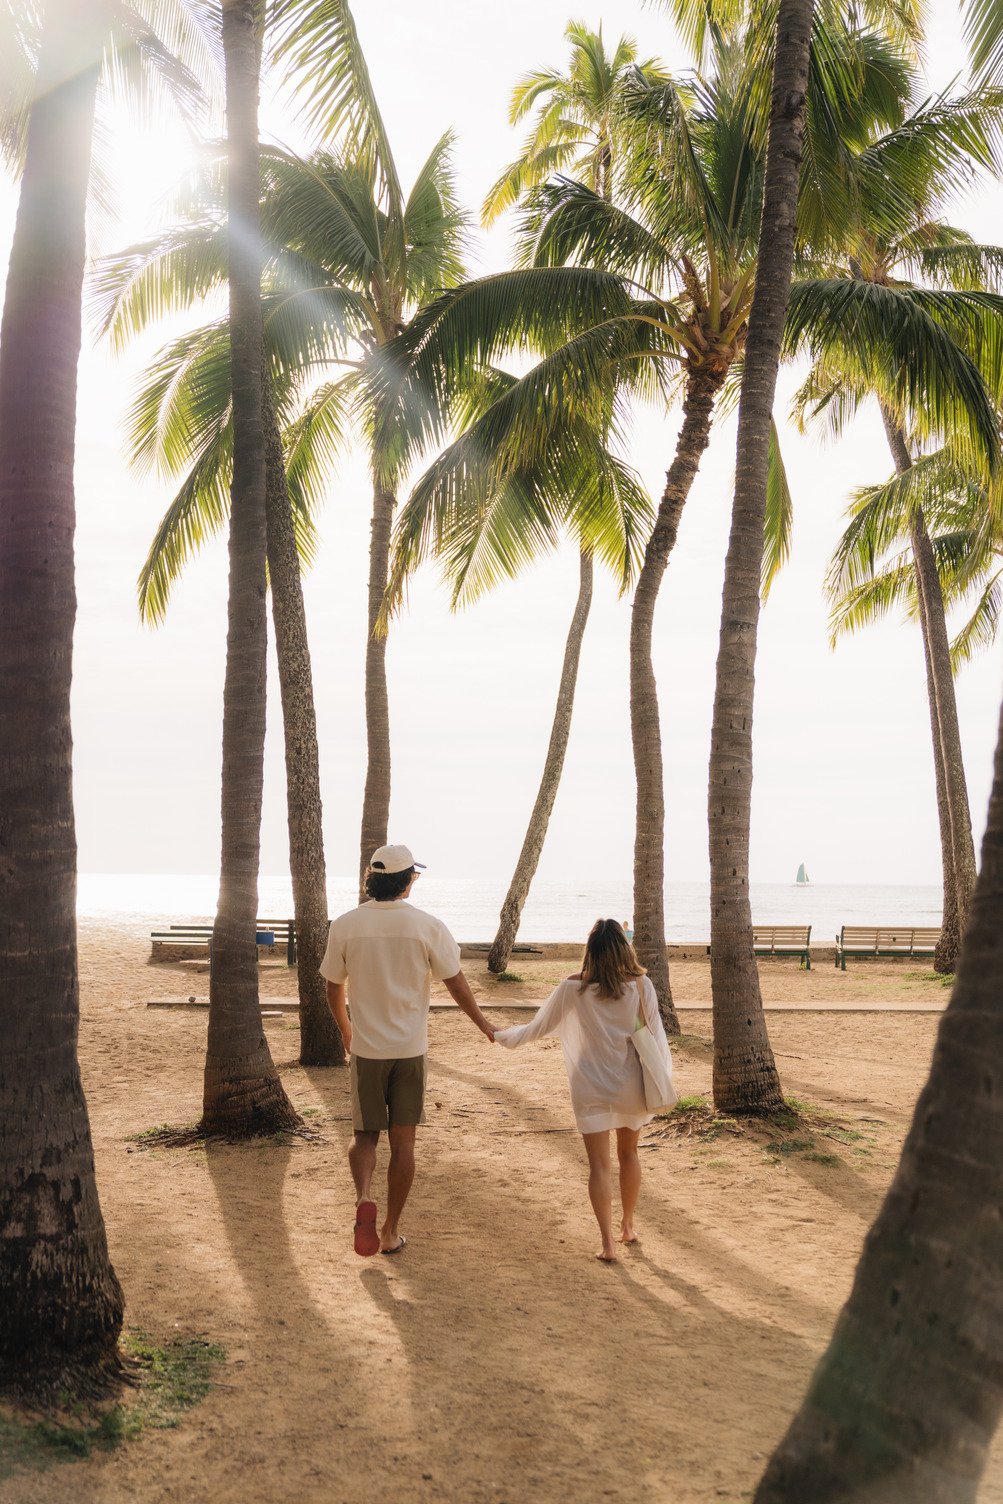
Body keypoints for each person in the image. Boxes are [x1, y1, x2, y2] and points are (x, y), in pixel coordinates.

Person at [322, 844, 497, 1257]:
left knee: (364, 1136)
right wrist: (484, 1025)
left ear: (372, 879)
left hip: (367, 1050)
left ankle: (363, 1195)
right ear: (407, 881)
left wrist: (346, 1032)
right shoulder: (427, 926)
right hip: (409, 1050)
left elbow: (333, 986)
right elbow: (456, 984)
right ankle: (389, 1232)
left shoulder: (346, 925)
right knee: (404, 1144)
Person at [496, 917, 670, 1262]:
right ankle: (628, 1226)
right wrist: (664, 1076)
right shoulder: (640, 986)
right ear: (624, 948)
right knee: (629, 1155)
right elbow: (656, 1037)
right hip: (631, 1084)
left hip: (590, 1086)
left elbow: (536, 1028)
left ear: (590, 951)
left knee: (599, 1166)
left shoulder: (572, 988)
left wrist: (499, 1034)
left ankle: (607, 1243)